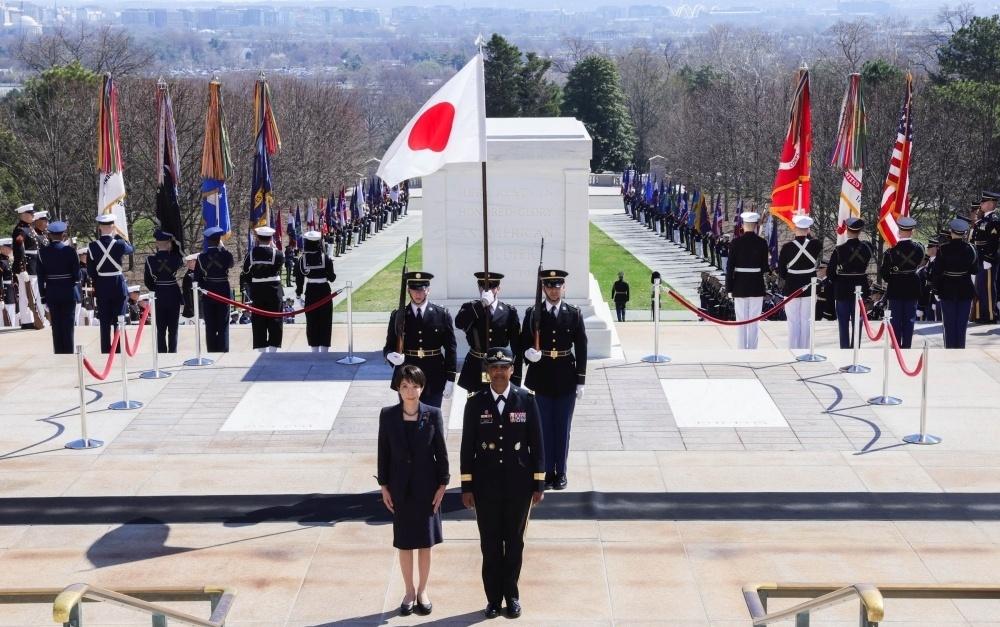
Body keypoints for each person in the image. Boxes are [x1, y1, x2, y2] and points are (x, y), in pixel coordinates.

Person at [461, 347, 545, 620]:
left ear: (512, 370)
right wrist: (467, 486)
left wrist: (539, 483)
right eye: (494, 368)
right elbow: (467, 448)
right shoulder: (475, 402)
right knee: (490, 544)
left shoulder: (526, 399)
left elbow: (537, 444)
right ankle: (493, 599)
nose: (498, 373)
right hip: (486, 486)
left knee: (515, 542)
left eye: (504, 367)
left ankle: (512, 595)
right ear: (487, 371)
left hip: (519, 485)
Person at [377, 365, 449, 618]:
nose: (410, 391)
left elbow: (441, 452)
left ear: (422, 387)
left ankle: (423, 591)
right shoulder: (387, 415)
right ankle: (408, 591)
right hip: (400, 488)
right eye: (405, 386)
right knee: (405, 543)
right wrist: (384, 485)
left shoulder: (433, 414)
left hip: (427, 488)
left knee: (425, 544)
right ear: (398, 388)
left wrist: (443, 484)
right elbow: (383, 452)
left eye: (414, 386)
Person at [520, 269, 587, 490]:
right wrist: (528, 354)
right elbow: (523, 343)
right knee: (543, 428)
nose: (554, 290)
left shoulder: (574, 313)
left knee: (563, 428)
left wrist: (581, 380)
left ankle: (561, 472)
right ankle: (546, 471)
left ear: (563, 288)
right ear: (544, 289)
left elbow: (582, 347)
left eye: (557, 286)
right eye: (549, 286)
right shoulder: (533, 313)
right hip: (541, 378)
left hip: (566, 378)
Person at [383, 272, 457, 408]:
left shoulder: (441, 314)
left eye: (422, 289)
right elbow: (388, 346)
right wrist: (390, 356)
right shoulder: (399, 315)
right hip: (407, 374)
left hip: (434, 373)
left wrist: (450, 378)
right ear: (408, 290)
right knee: (409, 418)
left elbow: (450, 348)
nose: (418, 294)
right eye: (414, 289)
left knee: (432, 417)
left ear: (428, 290)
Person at [454, 272, 522, 393]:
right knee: (475, 407)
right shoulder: (471, 307)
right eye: (484, 287)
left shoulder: (509, 311)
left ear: (498, 289)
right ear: (479, 288)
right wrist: (482, 304)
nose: (488, 290)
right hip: (476, 365)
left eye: (492, 287)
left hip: (500, 366)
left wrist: (516, 376)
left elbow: (517, 346)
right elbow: (459, 323)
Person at [88, 214, 133, 353]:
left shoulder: (92, 246)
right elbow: (131, 249)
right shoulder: (119, 244)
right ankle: (118, 350)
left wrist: (99, 281)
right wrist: (121, 237)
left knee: (104, 321)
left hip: (102, 284)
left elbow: (91, 270)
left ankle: (106, 350)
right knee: (119, 319)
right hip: (118, 284)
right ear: (113, 227)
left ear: (100, 227)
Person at [777, 214, 823, 350]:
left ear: (794, 228)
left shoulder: (787, 247)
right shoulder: (816, 245)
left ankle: (793, 349)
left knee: (793, 321)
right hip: (809, 286)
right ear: (808, 229)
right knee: (806, 320)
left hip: (791, 286)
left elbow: (782, 272)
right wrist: (807, 233)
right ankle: (805, 349)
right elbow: (813, 240)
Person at [725, 211, 769, 349]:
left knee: (741, 320)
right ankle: (753, 348)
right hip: (756, 284)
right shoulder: (762, 243)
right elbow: (764, 267)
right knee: (754, 320)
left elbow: (730, 267)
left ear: (743, 225)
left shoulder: (735, 242)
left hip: (739, 285)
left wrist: (729, 288)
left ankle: (741, 348)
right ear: (756, 225)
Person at [932, 218, 978, 348]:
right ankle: (960, 349)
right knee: (961, 324)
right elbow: (975, 270)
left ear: (951, 232)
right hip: (965, 289)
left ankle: (950, 350)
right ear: (964, 233)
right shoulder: (971, 249)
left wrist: (936, 290)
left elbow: (937, 272)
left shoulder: (943, 249)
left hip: (947, 289)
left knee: (949, 324)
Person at [827, 217, 872, 348]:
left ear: (847, 230)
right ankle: (855, 349)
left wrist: (838, 281)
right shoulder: (867, 249)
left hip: (843, 289)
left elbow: (830, 273)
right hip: (861, 287)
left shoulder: (839, 250)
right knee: (857, 322)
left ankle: (845, 349)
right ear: (860, 231)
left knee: (843, 323)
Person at [879, 216, 923, 349]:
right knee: (909, 320)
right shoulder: (919, 249)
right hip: (912, 286)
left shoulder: (890, 252)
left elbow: (885, 274)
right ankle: (907, 346)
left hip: (896, 287)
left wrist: (893, 276)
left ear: (899, 231)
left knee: (896, 320)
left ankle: (896, 347)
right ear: (912, 231)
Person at [36, 221, 79, 354]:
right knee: (68, 325)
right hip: (68, 292)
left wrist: (43, 296)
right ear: (63, 235)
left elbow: (40, 277)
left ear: (49, 235)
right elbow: (77, 276)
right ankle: (69, 352)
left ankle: (59, 353)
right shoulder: (70, 251)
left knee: (56, 325)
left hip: (52, 293)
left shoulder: (42, 253)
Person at [242, 226, 285, 352]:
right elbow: (280, 264)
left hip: (258, 290)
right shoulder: (277, 253)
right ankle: (273, 348)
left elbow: (245, 271)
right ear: (271, 238)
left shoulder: (251, 254)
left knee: (259, 320)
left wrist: (253, 282)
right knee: (275, 319)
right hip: (274, 290)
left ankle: (261, 348)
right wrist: (275, 248)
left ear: (257, 238)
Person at [294, 230, 336, 352]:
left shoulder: (302, 259)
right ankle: (324, 350)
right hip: (324, 291)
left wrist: (298, 295)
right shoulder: (325, 258)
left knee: (312, 321)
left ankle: (314, 350)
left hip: (311, 291)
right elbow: (332, 278)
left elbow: (299, 279)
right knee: (325, 320)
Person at [143, 230, 184, 352]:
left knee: (160, 329)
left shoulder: (150, 260)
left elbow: (147, 281)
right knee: (173, 328)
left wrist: (155, 290)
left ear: (156, 243)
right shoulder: (176, 259)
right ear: (170, 244)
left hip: (158, 295)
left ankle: (161, 353)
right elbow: (179, 252)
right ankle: (172, 352)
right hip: (173, 293)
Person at [194, 227, 234, 351]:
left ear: (207, 241)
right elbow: (231, 264)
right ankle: (223, 348)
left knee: (210, 324)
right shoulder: (226, 255)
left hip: (208, 291)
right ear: (219, 240)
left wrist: (202, 293)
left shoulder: (201, 257)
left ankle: (211, 350)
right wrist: (223, 248)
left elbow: (197, 278)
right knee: (223, 323)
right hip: (223, 290)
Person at [11, 203, 46, 329]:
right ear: (24, 215)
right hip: (27, 267)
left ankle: (30, 319)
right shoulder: (20, 229)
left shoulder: (29, 228)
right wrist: (22, 269)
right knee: (26, 294)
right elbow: (19, 248)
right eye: (30, 214)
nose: (32, 216)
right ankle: (27, 321)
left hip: (34, 265)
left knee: (32, 294)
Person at [972, 191, 1000, 323]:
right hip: (980, 258)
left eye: (983, 202)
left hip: (988, 259)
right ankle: (981, 314)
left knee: (988, 288)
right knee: (980, 287)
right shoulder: (982, 221)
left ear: (990, 204)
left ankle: (989, 315)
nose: (981, 204)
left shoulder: (994, 220)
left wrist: (988, 258)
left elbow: (994, 241)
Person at [76, 247, 96, 326]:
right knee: (81, 322)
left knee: (90, 322)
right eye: (86, 255)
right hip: (84, 299)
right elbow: (79, 286)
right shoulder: (80, 270)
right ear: (81, 256)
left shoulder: (89, 269)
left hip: (90, 300)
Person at [0, 238, 15, 327]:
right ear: (1, 249)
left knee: (12, 309)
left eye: (10, 248)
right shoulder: (1, 262)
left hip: (10, 288)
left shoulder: (8, 261)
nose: (9, 250)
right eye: (7, 248)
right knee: (7, 310)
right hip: (5, 289)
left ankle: (12, 326)